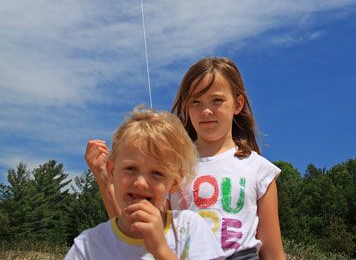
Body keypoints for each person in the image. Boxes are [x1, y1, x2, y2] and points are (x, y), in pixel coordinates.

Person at [86, 57, 286, 260]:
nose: (206, 110)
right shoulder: (171, 168)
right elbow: (135, 231)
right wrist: (104, 179)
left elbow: (272, 251)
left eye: (217, 100)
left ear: (238, 104)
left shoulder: (259, 169)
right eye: (195, 102)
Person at [70, 106, 224, 260]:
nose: (141, 183)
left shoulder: (189, 227)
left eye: (157, 173)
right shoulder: (88, 245)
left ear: (175, 182)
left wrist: (161, 250)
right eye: (130, 168)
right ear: (111, 172)